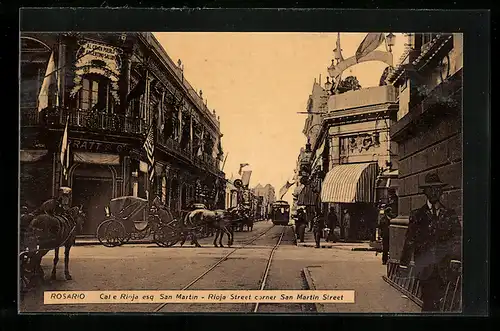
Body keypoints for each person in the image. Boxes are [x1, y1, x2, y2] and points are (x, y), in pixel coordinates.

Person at [399, 173, 462, 312]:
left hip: (444, 268)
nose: (434, 192)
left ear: (441, 191)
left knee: (438, 304)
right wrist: (404, 264)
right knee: (428, 302)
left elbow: (457, 237)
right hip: (425, 268)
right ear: (425, 192)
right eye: (430, 189)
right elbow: (410, 240)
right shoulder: (417, 215)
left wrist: (456, 259)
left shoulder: (449, 214)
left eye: (436, 189)